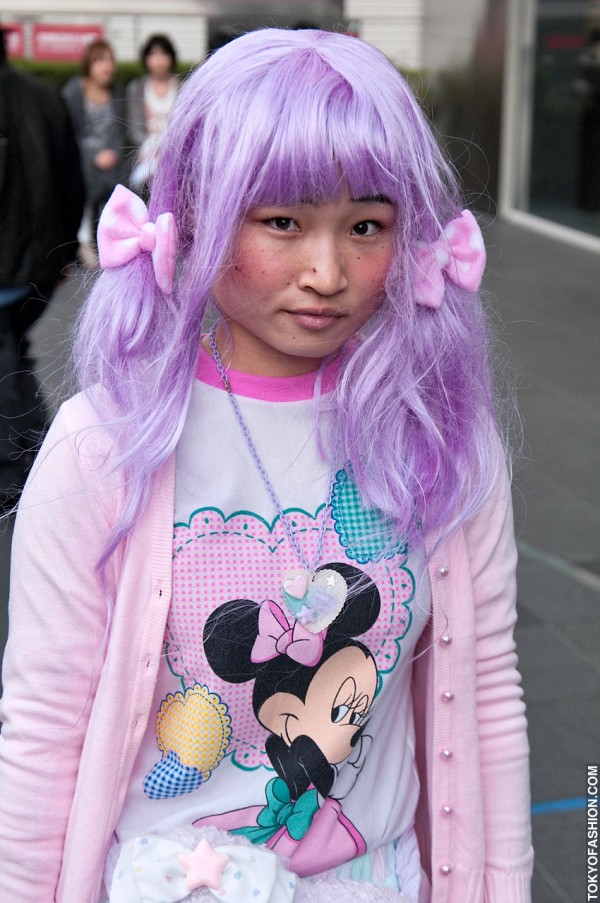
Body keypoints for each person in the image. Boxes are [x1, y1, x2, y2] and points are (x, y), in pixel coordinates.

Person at [0, 28, 534, 903]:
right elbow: (43, 725)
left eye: (367, 225)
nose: (327, 271)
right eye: (282, 222)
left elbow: (490, 693)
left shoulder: (443, 439)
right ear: (199, 216)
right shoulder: (107, 443)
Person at [0, 23, 84, 509]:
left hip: (9, 267)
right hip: (41, 266)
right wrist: (65, 249)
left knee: (7, 361)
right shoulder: (45, 99)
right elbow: (71, 179)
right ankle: (34, 457)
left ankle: (25, 466)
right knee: (12, 353)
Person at [62, 38, 127, 266]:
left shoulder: (118, 91)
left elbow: (122, 129)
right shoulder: (74, 91)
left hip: (112, 157)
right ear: (88, 64)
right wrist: (93, 155)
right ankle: (83, 242)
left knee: (119, 184)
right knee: (85, 183)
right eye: (100, 60)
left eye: (110, 60)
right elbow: (70, 132)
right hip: (83, 156)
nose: (107, 65)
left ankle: (114, 240)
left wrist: (114, 152)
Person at [126, 34, 181, 195]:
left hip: (174, 156)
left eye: (163, 54)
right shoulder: (136, 88)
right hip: (144, 156)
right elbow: (133, 127)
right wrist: (151, 148)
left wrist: (166, 148)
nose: (158, 60)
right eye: (153, 54)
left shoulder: (182, 87)